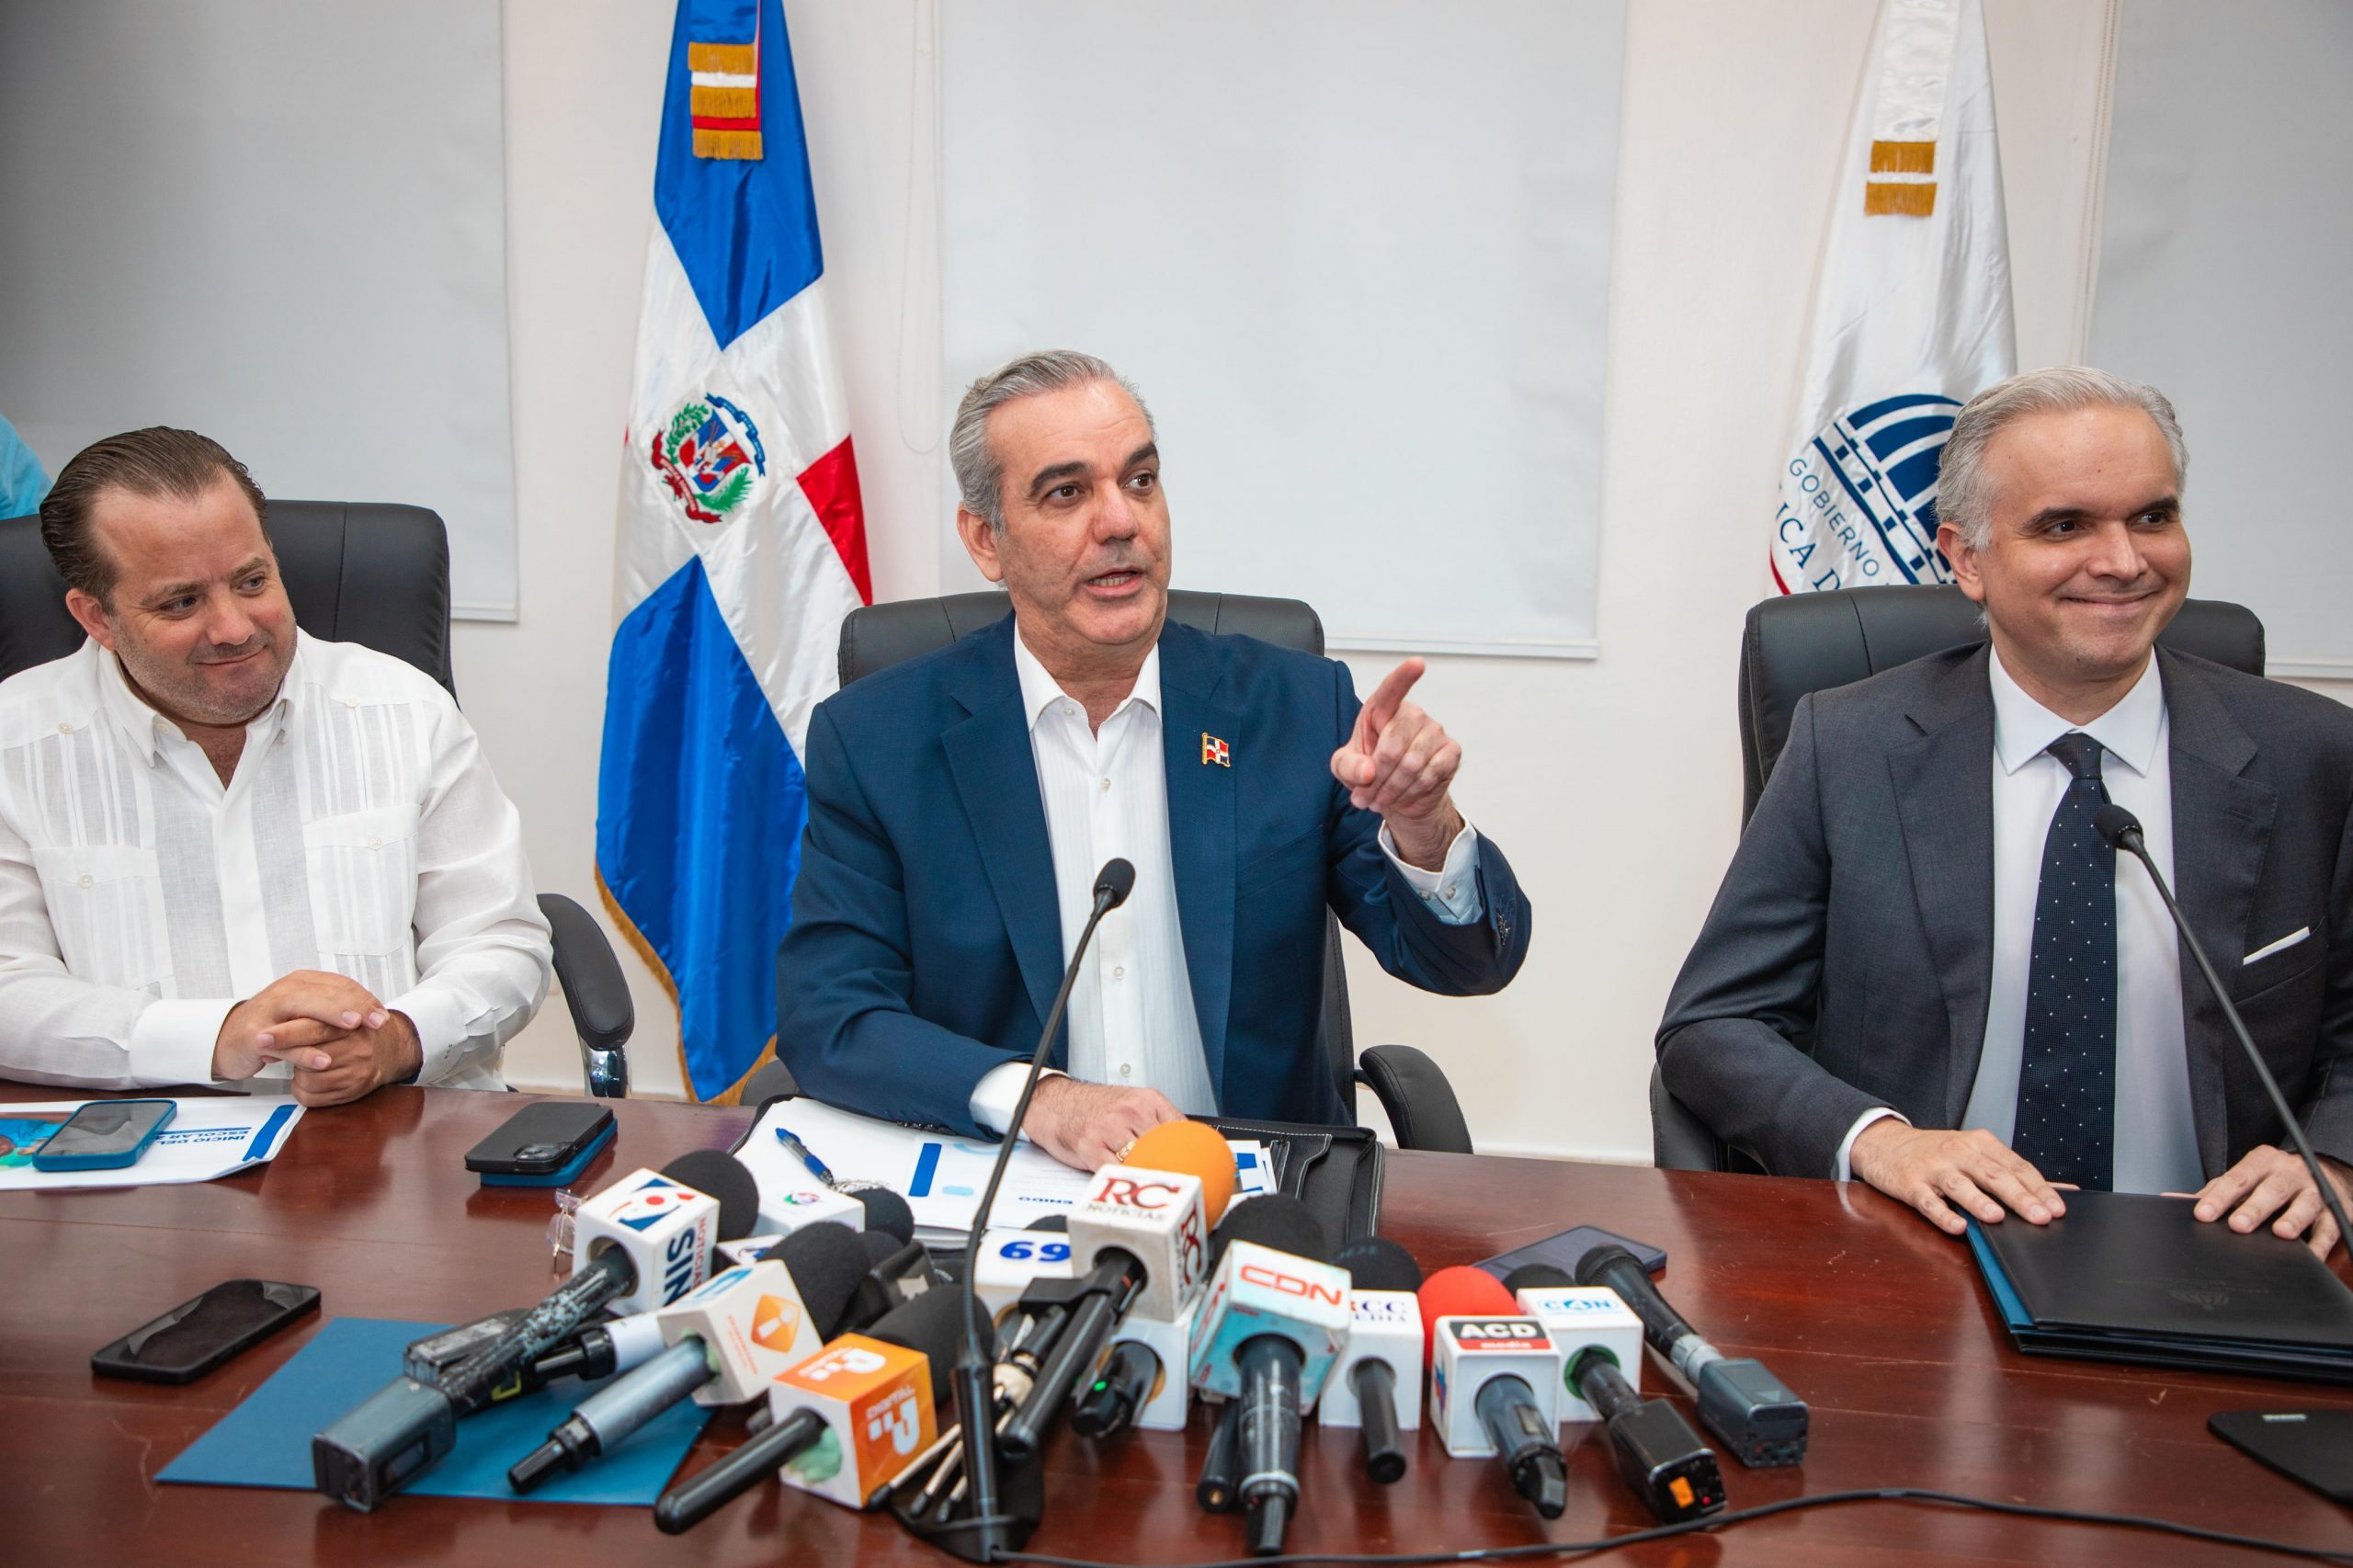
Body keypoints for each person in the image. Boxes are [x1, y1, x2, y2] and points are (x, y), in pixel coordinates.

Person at [1659, 367, 2352, 1256]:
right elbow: (1714, 1025)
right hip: (1921, 1247)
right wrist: (1882, 1142)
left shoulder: (2312, 755)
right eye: (2065, 525)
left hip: (2220, 1253)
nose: (2123, 561)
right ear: (1967, 558)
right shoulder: (1849, 745)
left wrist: (2332, 1161)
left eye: (2152, 517)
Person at [778, 350, 1530, 1169]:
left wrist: (1424, 825)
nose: (1120, 522)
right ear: (987, 540)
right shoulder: (879, 741)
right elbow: (830, 1017)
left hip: (1256, 1197)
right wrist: (1039, 1100)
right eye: (1067, 493)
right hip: (1008, 1187)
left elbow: (1467, 964)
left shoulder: (1295, 709)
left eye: (1139, 481)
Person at [0, 427, 552, 1105]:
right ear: (98, 618)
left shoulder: (406, 710)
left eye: (252, 581)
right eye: (182, 602)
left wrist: (398, 1040)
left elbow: (500, 942)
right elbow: (8, 988)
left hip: (399, 1128)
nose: (235, 628)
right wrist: (220, 1036)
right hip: (138, 1141)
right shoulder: (14, 743)